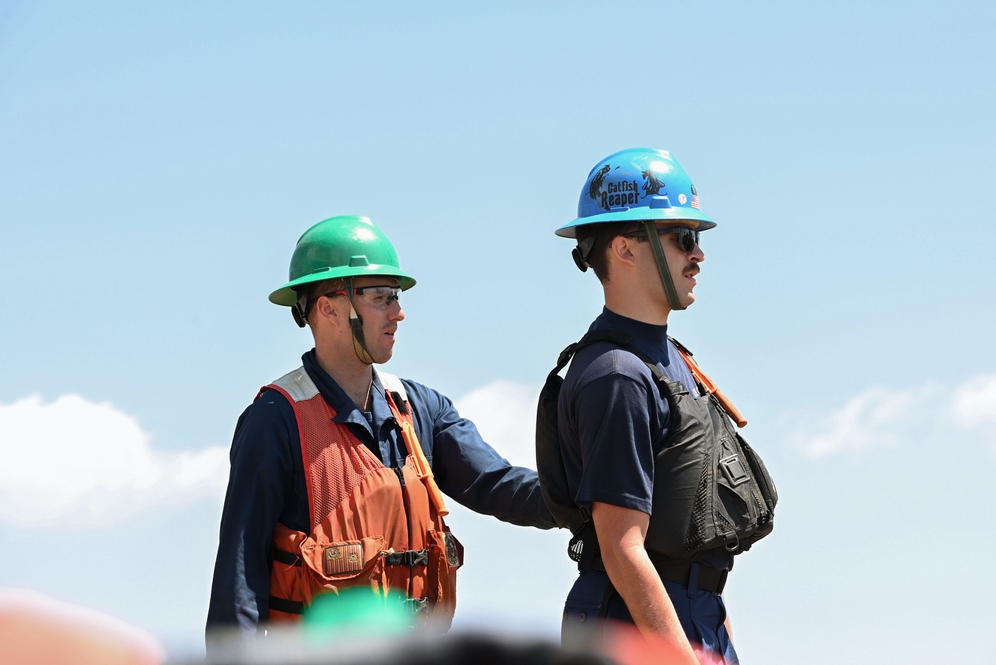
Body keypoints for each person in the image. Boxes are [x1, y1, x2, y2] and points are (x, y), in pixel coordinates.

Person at [207, 214, 556, 649]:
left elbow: (496, 483)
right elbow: (239, 580)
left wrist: (590, 496)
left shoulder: (420, 408)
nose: (399, 312)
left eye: (397, 297)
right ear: (328, 308)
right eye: (382, 297)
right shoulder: (274, 420)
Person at [544, 148, 777, 664]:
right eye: (682, 238)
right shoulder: (617, 375)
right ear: (625, 249)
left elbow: (693, 540)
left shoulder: (670, 360)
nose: (698, 254)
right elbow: (624, 549)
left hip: (689, 616)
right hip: (636, 629)